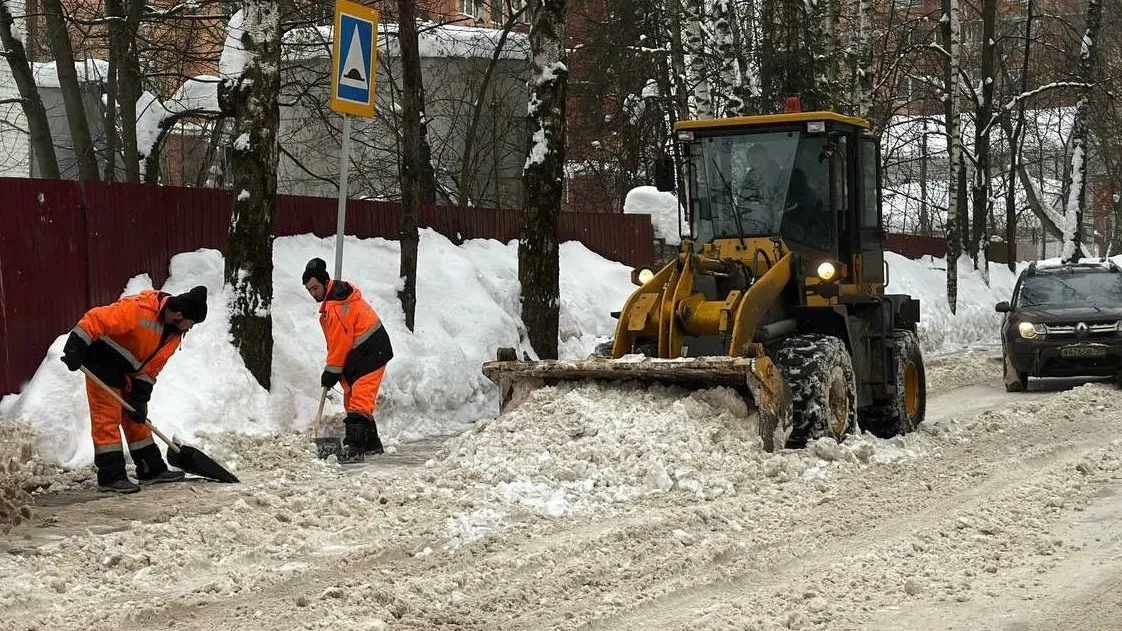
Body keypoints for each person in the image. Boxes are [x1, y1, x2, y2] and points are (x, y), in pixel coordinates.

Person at [60, 286, 209, 493]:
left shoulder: (174, 335)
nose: (189, 328)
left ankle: (151, 469)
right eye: (190, 323)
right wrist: (75, 348)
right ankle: (111, 477)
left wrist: (140, 397)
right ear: (179, 314)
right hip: (102, 361)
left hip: (128, 372)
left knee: (137, 419)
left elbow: (152, 368)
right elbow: (96, 319)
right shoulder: (140, 310)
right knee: (107, 418)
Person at [302, 258, 394, 463]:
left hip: (372, 352)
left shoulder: (336, 308)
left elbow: (339, 343)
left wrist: (331, 372)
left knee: (360, 401)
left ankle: (354, 447)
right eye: (309, 290)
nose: (313, 293)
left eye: (315, 288)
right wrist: (333, 370)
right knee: (351, 399)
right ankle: (371, 444)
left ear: (326, 283)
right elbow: (338, 344)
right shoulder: (334, 303)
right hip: (360, 355)